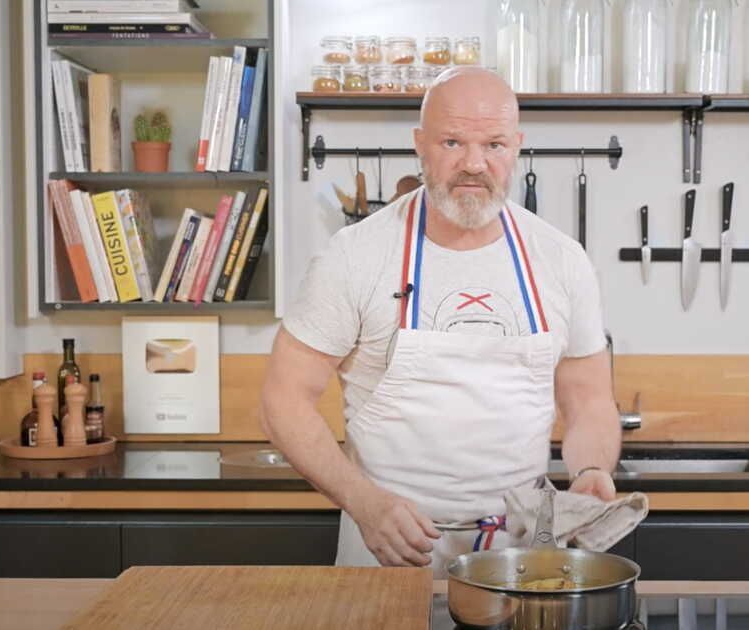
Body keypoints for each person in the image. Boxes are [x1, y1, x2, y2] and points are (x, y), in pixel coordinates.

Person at [260, 66, 621, 577]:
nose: (474, 164)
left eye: (494, 144)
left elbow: (588, 401)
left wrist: (590, 471)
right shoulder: (356, 256)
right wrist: (364, 503)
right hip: (387, 553)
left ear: (516, 146)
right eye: (452, 142)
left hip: (520, 559)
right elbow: (282, 400)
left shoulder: (562, 260)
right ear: (420, 144)